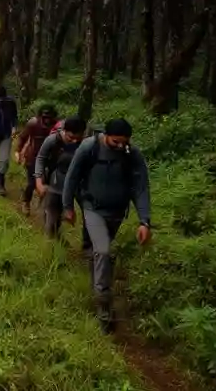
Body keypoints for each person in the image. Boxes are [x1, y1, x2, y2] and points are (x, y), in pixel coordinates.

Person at [61, 118, 152, 333]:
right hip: (92, 208)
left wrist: (144, 221)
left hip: (117, 212)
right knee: (103, 250)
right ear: (106, 136)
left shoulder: (132, 154)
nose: (120, 146)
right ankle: (104, 307)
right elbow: (72, 177)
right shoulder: (89, 147)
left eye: (124, 142)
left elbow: (141, 188)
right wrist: (68, 206)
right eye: (115, 142)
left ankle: (96, 275)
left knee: (99, 252)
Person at [33, 116, 87, 239]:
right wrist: (38, 181)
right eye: (70, 138)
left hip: (78, 182)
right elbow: (41, 158)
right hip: (57, 179)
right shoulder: (53, 140)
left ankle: (88, 244)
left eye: (78, 138)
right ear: (64, 131)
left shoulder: (86, 144)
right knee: (53, 212)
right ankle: (52, 239)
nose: (74, 141)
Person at [15, 105, 59, 213]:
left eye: (49, 118)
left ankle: (46, 206)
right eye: (45, 117)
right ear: (40, 117)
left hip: (50, 158)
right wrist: (18, 151)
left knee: (49, 184)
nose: (47, 120)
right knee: (32, 183)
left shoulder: (57, 126)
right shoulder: (33, 123)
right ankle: (26, 201)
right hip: (33, 157)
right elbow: (22, 137)